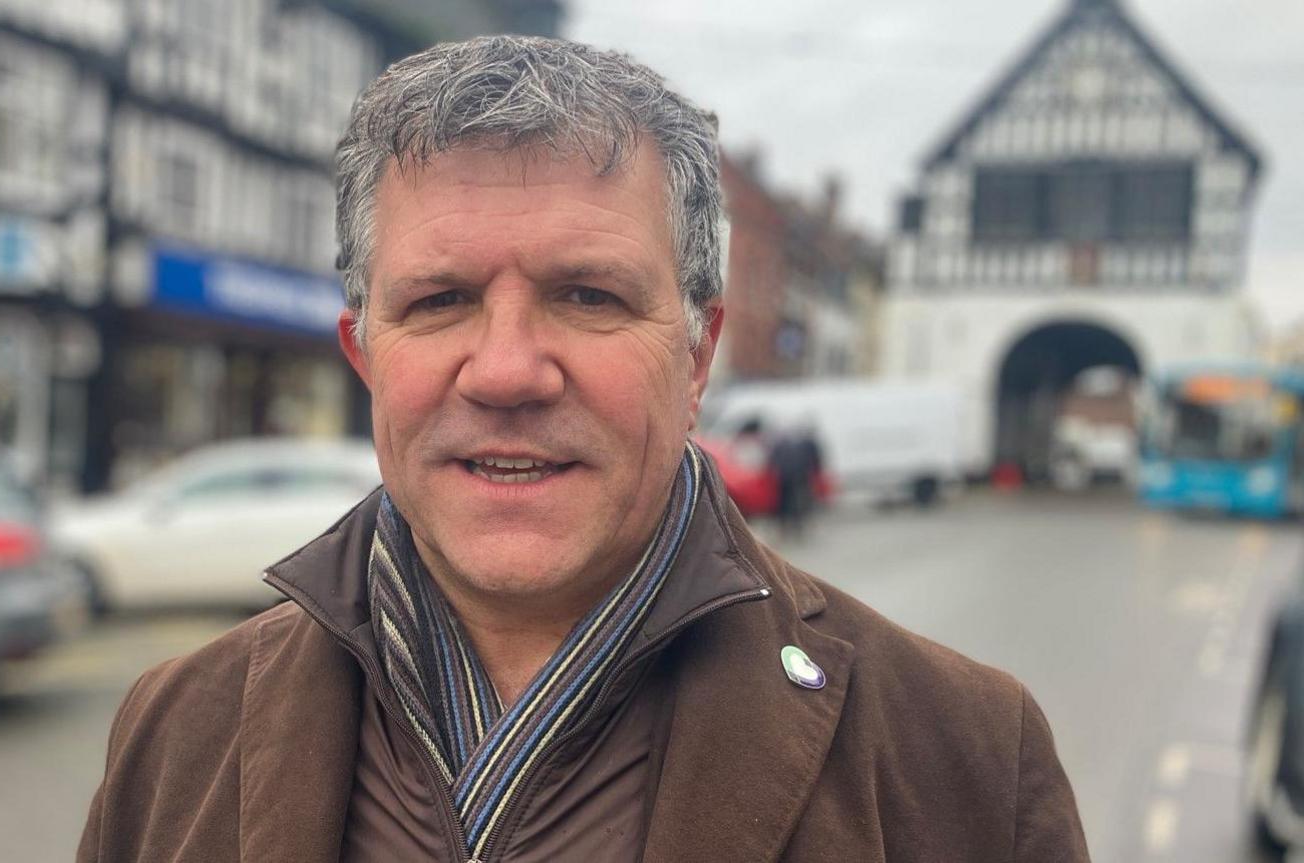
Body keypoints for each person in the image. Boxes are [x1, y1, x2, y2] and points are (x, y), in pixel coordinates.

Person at [78, 36, 1089, 862]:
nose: (508, 370)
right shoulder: (175, 730)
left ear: (695, 356)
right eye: (439, 301)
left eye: (588, 295)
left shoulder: (964, 754)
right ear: (367, 356)